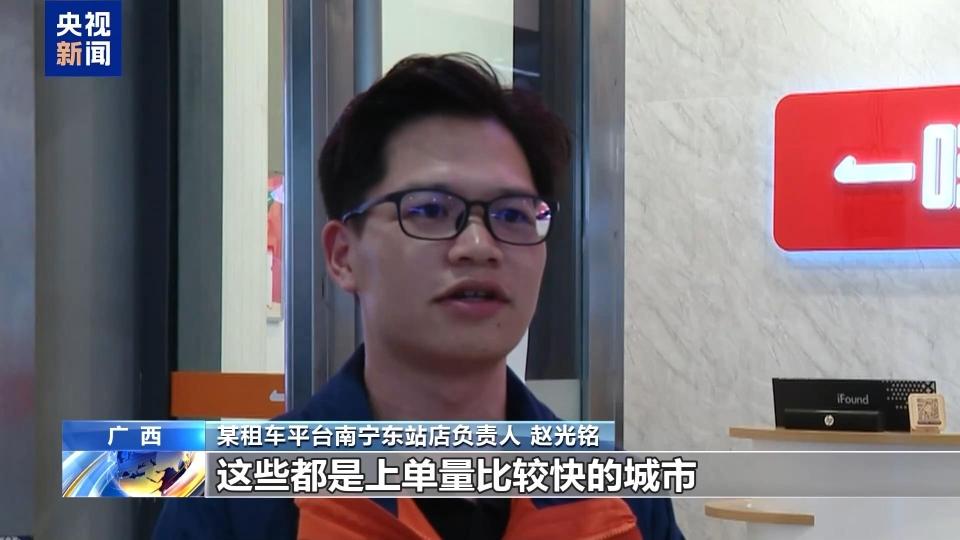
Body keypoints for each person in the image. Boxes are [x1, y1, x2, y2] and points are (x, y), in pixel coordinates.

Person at [153, 53, 683, 540]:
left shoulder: (624, 501)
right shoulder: (227, 506)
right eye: (430, 210)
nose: (479, 246)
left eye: (513, 215)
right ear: (343, 256)